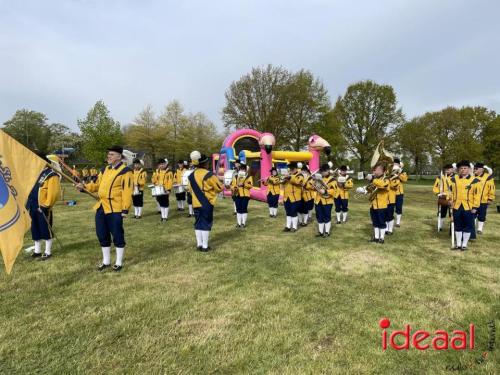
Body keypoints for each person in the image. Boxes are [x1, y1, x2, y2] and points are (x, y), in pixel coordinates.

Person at [76, 145, 133, 271]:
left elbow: (127, 191)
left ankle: (118, 262)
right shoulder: (105, 169)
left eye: (112, 154)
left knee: (117, 234)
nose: (109, 156)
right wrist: (84, 187)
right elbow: (96, 185)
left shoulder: (126, 171)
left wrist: (125, 209)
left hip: (115, 208)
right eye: (108, 154)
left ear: (119, 156)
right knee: (101, 234)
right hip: (101, 207)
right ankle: (106, 261)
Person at [27, 153, 61, 260]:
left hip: (43, 207)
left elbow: (54, 193)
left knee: (45, 228)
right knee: (35, 228)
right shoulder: (35, 173)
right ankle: (37, 250)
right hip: (33, 205)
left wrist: (46, 205)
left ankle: (47, 251)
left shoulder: (51, 174)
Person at [187, 152, 223, 251]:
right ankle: (205, 246)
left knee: (198, 223)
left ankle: (199, 244)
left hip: (195, 202)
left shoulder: (191, 175)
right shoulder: (209, 174)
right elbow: (219, 188)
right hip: (207, 202)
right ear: (205, 164)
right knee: (206, 223)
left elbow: (189, 189)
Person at [448, 160, 480, 251]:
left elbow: (477, 195)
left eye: (465, 168)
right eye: (461, 168)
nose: (463, 170)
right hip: (456, 206)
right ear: (458, 170)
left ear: (469, 169)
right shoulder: (453, 180)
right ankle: (458, 244)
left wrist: (475, 207)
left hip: (469, 207)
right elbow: (450, 192)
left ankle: (464, 244)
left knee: (467, 225)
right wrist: (449, 199)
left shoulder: (475, 181)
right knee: (458, 224)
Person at [367, 163, 390, 244]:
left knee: (381, 222)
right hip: (373, 204)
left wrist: (372, 179)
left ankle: (382, 238)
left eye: (376, 169)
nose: (374, 171)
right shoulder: (376, 179)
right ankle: (376, 238)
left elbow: (382, 185)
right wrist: (364, 190)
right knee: (375, 222)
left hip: (381, 205)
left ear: (381, 170)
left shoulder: (386, 178)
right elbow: (371, 189)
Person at [314, 164, 337, 237]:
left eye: (323, 171)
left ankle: (327, 232)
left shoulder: (332, 179)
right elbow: (316, 186)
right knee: (319, 216)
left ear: (327, 171)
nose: (322, 173)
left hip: (327, 201)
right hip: (318, 200)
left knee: (326, 216)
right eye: (321, 172)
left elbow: (334, 190)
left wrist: (325, 192)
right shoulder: (320, 178)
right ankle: (320, 232)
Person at [473, 162, 495, 234]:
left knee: (482, 215)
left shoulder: (488, 177)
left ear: (481, 169)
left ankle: (479, 229)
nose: (474, 170)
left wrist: (490, 198)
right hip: (473, 200)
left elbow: (491, 188)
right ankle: (472, 228)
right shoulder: (472, 176)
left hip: (483, 200)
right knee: (472, 214)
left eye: (476, 168)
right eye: (474, 168)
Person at [282, 162, 304, 232]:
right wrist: (283, 179)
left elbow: (297, 182)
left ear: (295, 168)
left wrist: (289, 177)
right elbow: (282, 184)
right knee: (288, 212)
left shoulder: (300, 175)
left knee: (294, 212)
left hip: (295, 198)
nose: (290, 170)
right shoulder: (289, 175)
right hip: (286, 197)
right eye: (290, 168)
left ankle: (294, 227)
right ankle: (288, 226)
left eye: (292, 168)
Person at [432, 164, 455, 231]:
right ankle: (440, 226)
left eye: (449, 169)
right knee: (441, 212)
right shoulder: (440, 177)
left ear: (452, 169)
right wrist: (438, 193)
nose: (447, 171)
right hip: (442, 197)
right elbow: (435, 187)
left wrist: (448, 194)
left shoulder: (456, 178)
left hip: (452, 198)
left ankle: (452, 228)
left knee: (452, 214)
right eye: (446, 169)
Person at [232, 164, 253, 228]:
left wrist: (244, 184)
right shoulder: (235, 176)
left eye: (243, 169)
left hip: (245, 195)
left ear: (245, 170)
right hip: (237, 194)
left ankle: (243, 223)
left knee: (244, 208)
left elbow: (251, 185)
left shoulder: (248, 177)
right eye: (241, 169)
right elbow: (232, 185)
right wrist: (235, 187)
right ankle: (238, 223)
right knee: (238, 209)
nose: (242, 170)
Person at [393, 158, 408, 227]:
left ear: (399, 164)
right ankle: (390, 221)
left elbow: (405, 179)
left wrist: (399, 174)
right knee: (390, 207)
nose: (395, 164)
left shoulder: (402, 172)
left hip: (399, 192)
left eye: (396, 163)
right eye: (394, 163)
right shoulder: (389, 170)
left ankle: (398, 222)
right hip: (391, 192)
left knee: (399, 207)